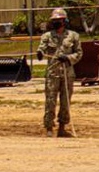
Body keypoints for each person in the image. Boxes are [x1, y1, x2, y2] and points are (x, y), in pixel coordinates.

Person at [36, 8, 83, 138]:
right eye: (54, 21)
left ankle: (62, 128)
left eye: (59, 20)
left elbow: (79, 53)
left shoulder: (73, 36)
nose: (56, 22)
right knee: (50, 100)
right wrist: (39, 53)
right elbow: (41, 49)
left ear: (64, 21)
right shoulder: (47, 36)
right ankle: (49, 127)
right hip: (52, 73)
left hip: (67, 74)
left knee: (65, 101)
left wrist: (68, 58)